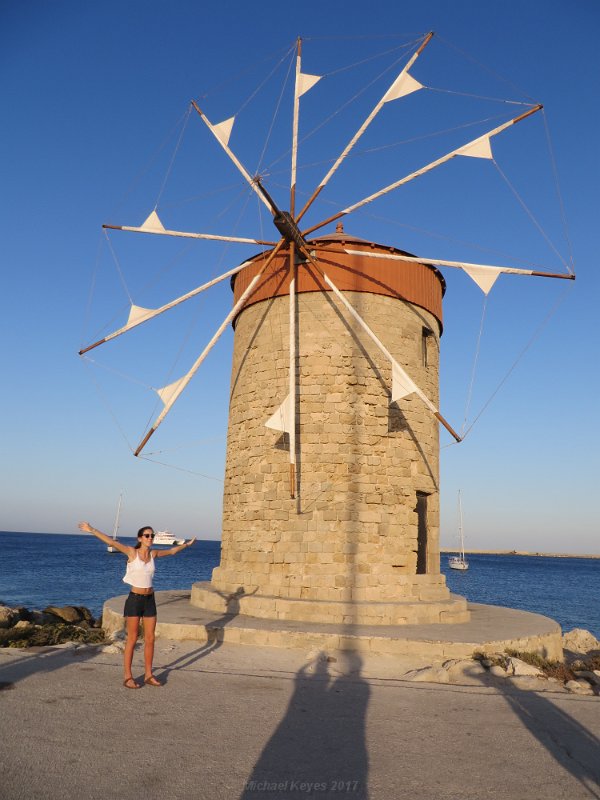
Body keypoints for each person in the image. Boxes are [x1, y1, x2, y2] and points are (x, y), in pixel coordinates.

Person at [78, 520, 196, 689]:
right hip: (134, 600)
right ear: (140, 538)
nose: (150, 537)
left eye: (152, 535)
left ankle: (148, 675)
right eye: (147, 535)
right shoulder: (132, 553)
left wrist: (187, 545)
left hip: (150, 600)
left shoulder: (153, 554)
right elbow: (111, 542)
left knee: (150, 639)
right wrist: (91, 529)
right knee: (132, 639)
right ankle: (128, 676)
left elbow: (172, 551)